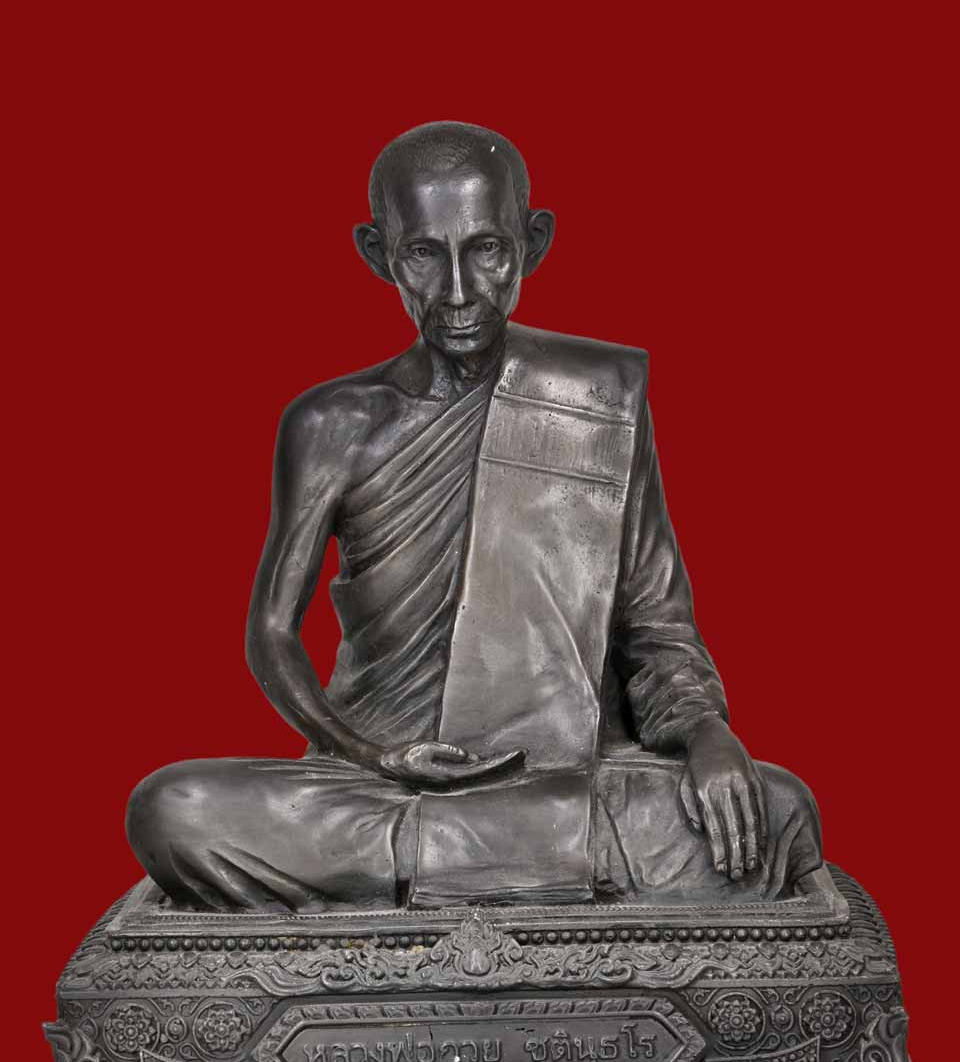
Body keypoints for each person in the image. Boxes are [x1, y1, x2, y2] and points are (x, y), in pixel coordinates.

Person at [127, 121, 821, 911]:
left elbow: (655, 628)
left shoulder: (596, 397)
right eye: (424, 254)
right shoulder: (330, 424)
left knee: (781, 810)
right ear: (377, 253)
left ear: (534, 242)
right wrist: (373, 754)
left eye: (487, 250)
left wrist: (706, 735)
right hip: (381, 779)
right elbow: (273, 634)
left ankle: (414, 876)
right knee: (172, 809)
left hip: (559, 775)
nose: (458, 291)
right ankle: (523, 868)